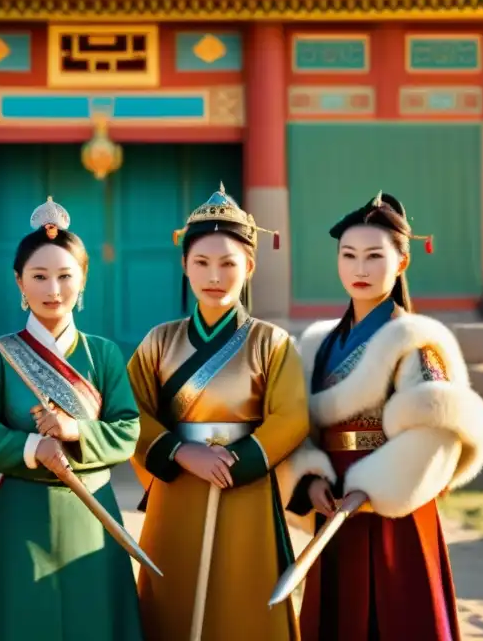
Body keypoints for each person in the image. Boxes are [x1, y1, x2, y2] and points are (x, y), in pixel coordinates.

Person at [276, 191, 483, 641]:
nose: (360, 268)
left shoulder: (416, 342)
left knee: (396, 616)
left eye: (374, 256)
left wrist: (374, 488)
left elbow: (436, 430)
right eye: (349, 255)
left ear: (400, 263)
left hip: (396, 502)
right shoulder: (319, 344)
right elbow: (304, 427)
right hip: (333, 497)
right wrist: (311, 479)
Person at [127, 184, 309, 641]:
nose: (215, 275)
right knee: (175, 596)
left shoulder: (271, 342)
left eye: (229, 263)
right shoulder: (159, 341)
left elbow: (291, 417)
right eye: (202, 263)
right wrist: (182, 453)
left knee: (243, 598)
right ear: (185, 265)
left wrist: (239, 461)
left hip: (245, 484)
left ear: (249, 266)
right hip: (179, 487)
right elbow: (130, 412)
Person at [0, 196, 145, 641]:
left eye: (66, 276)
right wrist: (32, 447)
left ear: (83, 280)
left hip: (94, 510)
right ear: (19, 282)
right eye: (39, 277)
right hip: (20, 515)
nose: (53, 289)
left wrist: (73, 430)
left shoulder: (102, 353)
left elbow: (127, 429)